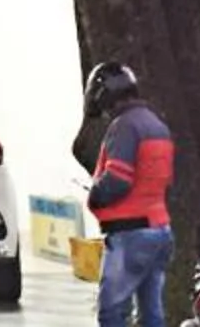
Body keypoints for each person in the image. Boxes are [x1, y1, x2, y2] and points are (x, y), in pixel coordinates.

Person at [83, 60, 176, 327]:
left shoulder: (124, 127)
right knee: (151, 313)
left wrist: (95, 194)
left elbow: (118, 179)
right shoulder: (156, 125)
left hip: (130, 234)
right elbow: (163, 179)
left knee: (112, 313)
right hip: (159, 230)